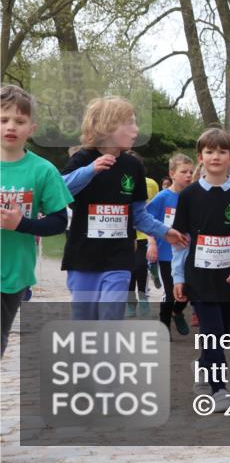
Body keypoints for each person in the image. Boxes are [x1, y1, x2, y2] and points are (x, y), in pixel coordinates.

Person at [61, 96, 185, 320]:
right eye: (130, 123)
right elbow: (60, 192)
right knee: (84, 317)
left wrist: (165, 232)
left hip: (119, 256)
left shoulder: (133, 166)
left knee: (111, 313)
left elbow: (139, 215)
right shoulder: (83, 158)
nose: (136, 130)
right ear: (107, 126)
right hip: (83, 256)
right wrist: (90, 171)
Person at [171, 128, 230, 412]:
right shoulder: (189, 196)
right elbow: (180, 240)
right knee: (210, 331)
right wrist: (178, 276)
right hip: (199, 277)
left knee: (221, 333)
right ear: (201, 157)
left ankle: (202, 366)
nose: (215, 157)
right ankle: (220, 389)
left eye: (222, 151)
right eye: (209, 152)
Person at [1, 85, 72, 356]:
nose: (11, 126)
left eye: (19, 121)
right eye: (3, 119)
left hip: (13, 272)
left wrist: (22, 224)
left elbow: (58, 221)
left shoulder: (43, 171)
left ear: (31, 128)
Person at [145, 153, 195, 336]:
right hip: (166, 254)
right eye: (184, 172)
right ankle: (164, 328)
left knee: (188, 290)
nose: (189, 175)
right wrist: (152, 244)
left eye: (191, 171)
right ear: (172, 173)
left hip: (188, 253)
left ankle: (178, 312)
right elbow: (146, 221)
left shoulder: (193, 196)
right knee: (170, 292)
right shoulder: (162, 197)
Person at [127, 151, 160, 318]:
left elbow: (152, 211)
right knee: (128, 269)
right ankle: (130, 302)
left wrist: (153, 237)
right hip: (125, 234)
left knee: (139, 267)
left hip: (144, 234)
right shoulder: (121, 182)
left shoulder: (151, 184)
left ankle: (143, 296)